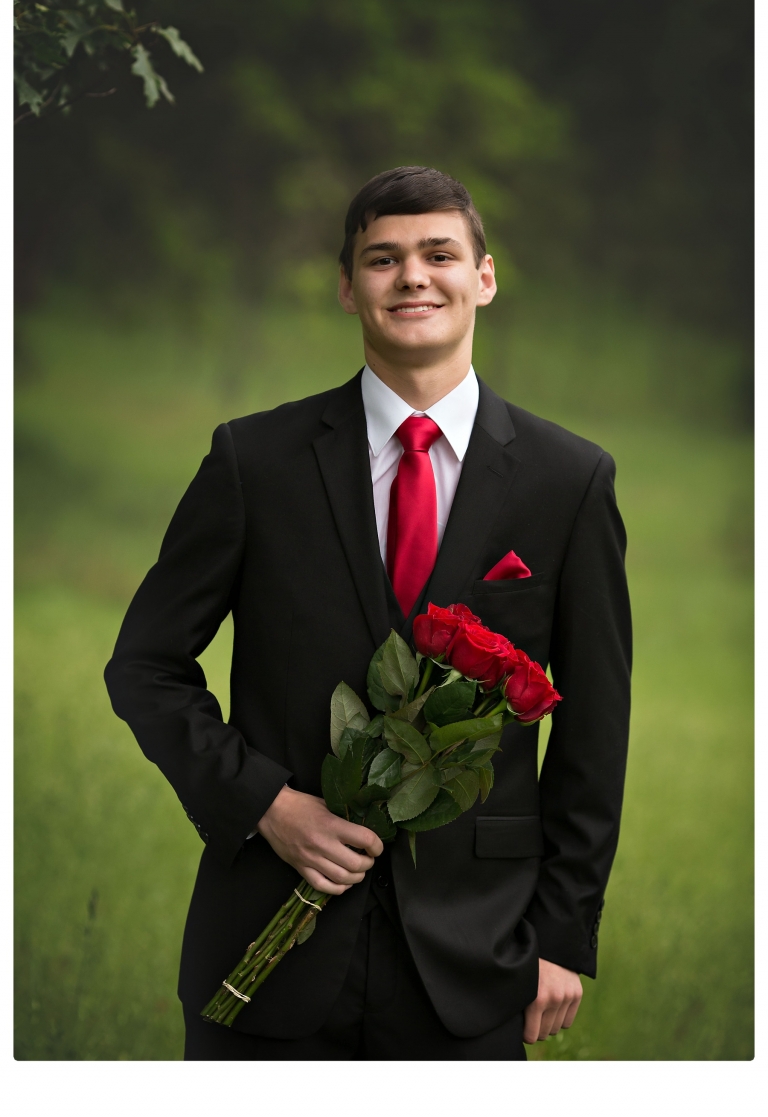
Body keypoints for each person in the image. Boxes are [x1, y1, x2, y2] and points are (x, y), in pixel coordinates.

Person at [105, 165, 631, 1061]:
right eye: (383, 259)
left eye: (439, 254)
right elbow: (146, 665)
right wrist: (265, 802)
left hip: (477, 954)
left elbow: (595, 728)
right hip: (265, 939)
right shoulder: (254, 461)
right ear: (349, 287)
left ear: (485, 278)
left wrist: (562, 934)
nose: (413, 277)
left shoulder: (569, 481)